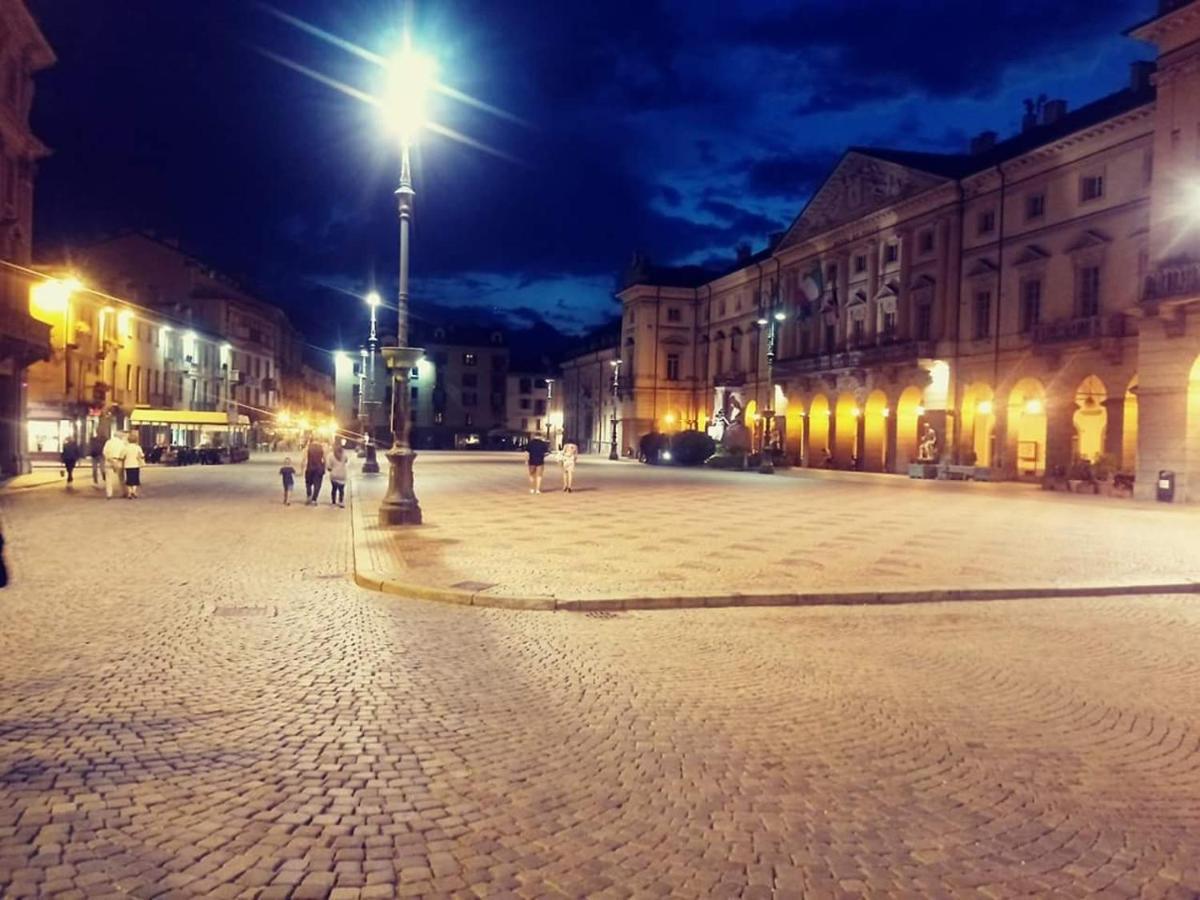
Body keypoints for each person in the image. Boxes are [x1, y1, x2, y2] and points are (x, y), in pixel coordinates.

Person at [102, 430, 127, 500]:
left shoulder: (108, 442)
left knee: (109, 479)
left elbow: (104, 452)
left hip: (109, 461)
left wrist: (110, 459)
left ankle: (109, 494)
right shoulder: (122, 443)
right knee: (121, 478)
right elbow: (124, 452)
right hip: (119, 461)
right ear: (120, 436)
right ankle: (124, 492)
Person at [303, 437, 326, 505]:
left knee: (308, 484)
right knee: (317, 484)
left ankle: (309, 496)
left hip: (309, 467)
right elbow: (324, 458)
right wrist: (325, 467)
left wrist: (302, 469)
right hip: (319, 468)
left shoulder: (307, 448)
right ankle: (314, 499)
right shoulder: (322, 448)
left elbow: (304, 459)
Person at [122, 433, 145, 498]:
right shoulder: (138, 447)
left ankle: (129, 492)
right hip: (136, 464)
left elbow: (122, 455)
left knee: (129, 479)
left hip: (128, 465)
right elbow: (142, 455)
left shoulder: (126, 448)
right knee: (135, 479)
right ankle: (134, 491)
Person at [326, 441, 348, 508]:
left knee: (334, 489)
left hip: (334, 475)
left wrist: (330, 469)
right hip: (342, 474)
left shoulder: (330, 455)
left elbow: (328, 466)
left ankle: (333, 502)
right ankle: (341, 502)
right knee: (341, 490)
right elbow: (346, 460)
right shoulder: (344, 455)